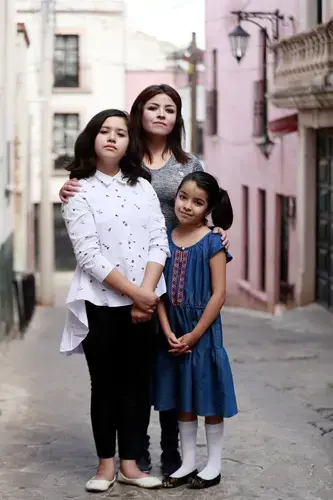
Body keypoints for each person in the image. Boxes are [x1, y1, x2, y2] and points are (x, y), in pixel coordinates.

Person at [59, 84, 230, 477]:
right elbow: (88, 227)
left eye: (169, 108)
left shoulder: (183, 165)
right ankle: (134, 454)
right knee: (124, 375)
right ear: (139, 112)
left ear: (178, 117)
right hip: (131, 284)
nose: (160, 114)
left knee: (165, 366)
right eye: (152, 107)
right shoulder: (123, 160)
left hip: (173, 276)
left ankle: (169, 451)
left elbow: (209, 203)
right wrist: (69, 186)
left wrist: (219, 229)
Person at [61, 109, 170, 492]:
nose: (112, 138)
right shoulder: (78, 189)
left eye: (121, 133)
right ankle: (105, 464)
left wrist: (148, 294)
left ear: (129, 142)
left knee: (137, 384)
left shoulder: (143, 187)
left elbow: (160, 240)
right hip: (101, 303)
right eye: (104, 131)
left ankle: (131, 465)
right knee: (105, 384)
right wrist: (140, 295)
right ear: (92, 138)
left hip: (145, 303)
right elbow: (88, 255)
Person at [154, 171, 238, 490]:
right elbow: (158, 290)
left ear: (208, 208)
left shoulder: (213, 242)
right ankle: (187, 462)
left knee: (208, 394)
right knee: (184, 396)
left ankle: (213, 464)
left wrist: (195, 334)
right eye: (183, 197)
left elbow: (219, 294)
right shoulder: (163, 240)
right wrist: (167, 331)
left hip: (202, 334)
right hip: (173, 333)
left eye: (198, 202)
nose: (187, 206)